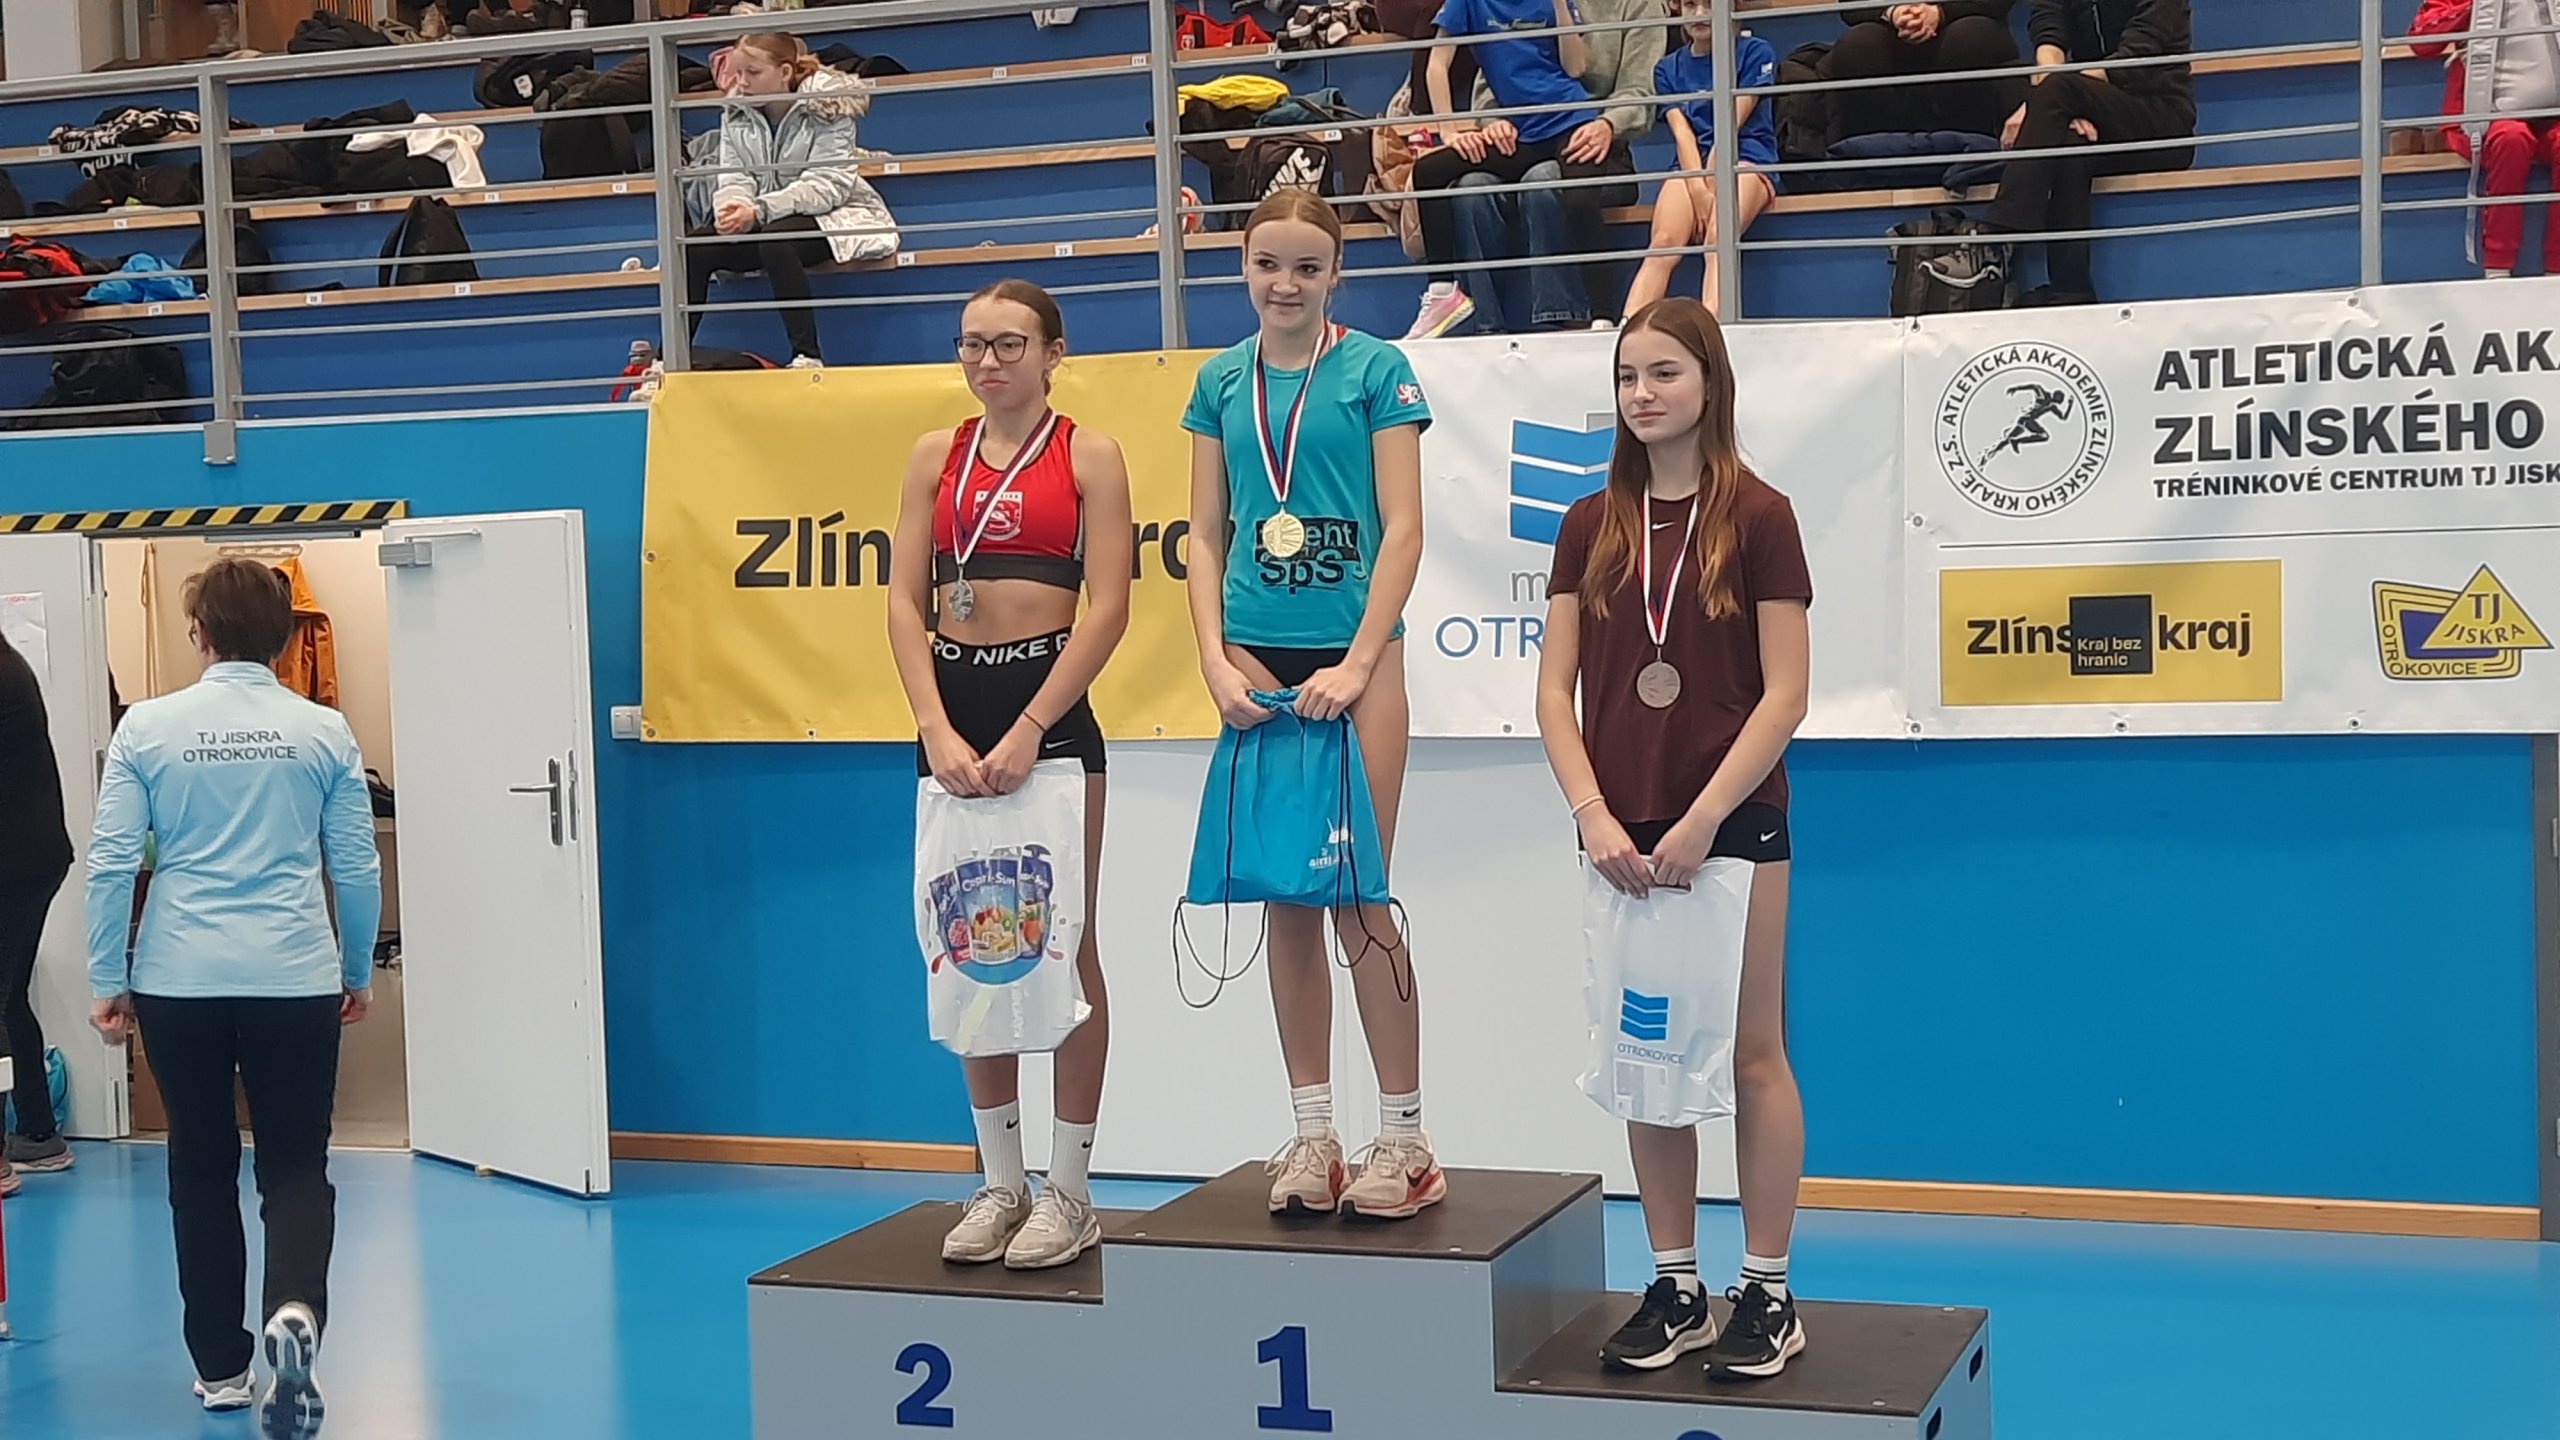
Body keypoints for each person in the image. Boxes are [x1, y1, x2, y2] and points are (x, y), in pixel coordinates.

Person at [1535, 298, 1812, 1380]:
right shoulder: (1587, 522)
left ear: (1709, 383)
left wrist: (1702, 818)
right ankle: (1677, 1284)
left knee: (1748, 1052)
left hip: (1729, 821)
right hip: (1619, 830)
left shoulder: (1761, 516)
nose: (1641, 394)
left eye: (1663, 373)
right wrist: (1592, 813)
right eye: (1626, 377)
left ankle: (1768, 1291)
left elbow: (1785, 694)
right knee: (1646, 1059)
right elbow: (1554, 693)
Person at [1183, 191, 1440, 1219]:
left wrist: (1361, 661)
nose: (1284, 284)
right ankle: (1313, 1134)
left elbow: (1404, 528)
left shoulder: (1376, 371)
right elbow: (1205, 533)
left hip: (1356, 662)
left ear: (1336, 274)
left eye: (1306, 267)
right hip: (1257, 662)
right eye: (1267, 264)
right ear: (1242, 267)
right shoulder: (1218, 380)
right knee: (1284, 899)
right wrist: (1213, 660)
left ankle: (1406, 1140)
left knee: (1357, 898)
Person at [85, 559, 381, 1435]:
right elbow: (355, 866)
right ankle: (295, 1309)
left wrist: (108, 977)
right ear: (286, 639)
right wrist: (354, 968)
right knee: (295, 1165)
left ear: (200, 634)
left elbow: (111, 864)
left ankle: (220, 1367)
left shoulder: (147, 728)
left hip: (179, 979)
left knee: (200, 1165)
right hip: (293, 975)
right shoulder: (323, 730)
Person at [888, 279, 1134, 1269]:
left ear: (1053, 353)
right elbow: (903, 603)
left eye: (1008, 344)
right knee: (972, 944)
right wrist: (933, 726)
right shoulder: (931, 456)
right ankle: (1001, 1183)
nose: (987, 361)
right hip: (953, 719)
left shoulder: (1090, 455)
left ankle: (1070, 1191)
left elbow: (1109, 607)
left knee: (1063, 944)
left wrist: (1034, 724)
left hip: (1050, 717)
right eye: (972, 344)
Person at [1408, 0, 1638, 338]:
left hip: (1570, 121)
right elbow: (1437, 64)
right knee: (1428, 172)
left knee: (1578, 198)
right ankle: (1442, 292)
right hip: (1522, 136)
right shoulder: (1469, 3)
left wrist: (1560, 6)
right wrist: (1449, 131)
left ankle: (1603, 318)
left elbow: (1576, 68)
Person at [690, 32, 897, 367]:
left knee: (777, 240)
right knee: (695, 245)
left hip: (832, 215)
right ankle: (667, 360)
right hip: (759, 215)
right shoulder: (735, 111)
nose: (742, 82)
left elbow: (827, 185)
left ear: (785, 72)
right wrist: (732, 207)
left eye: (753, 72)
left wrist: (759, 210)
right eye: (738, 72)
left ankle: (807, 355)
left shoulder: (828, 106)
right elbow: (733, 175)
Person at [1980, 0, 2194, 305]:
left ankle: (2000, 235)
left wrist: (2049, 99)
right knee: (2067, 138)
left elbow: (2137, 56)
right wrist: (2057, 103)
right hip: (2093, 109)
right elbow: (2049, 22)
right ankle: (2071, 288)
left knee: (2059, 91)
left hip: (2160, 120)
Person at [1624, 0, 1781, 316]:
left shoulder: (1756, 52)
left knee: (1718, 237)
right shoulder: (1666, 68)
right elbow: (1682, 134)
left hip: (1746, 158)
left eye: (1709, 5)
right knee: (1663, 242)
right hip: (1690, 165)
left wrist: (1711, 183)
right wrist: (1698, 189)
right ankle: (1629, 326)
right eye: (1690, 4)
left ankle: (1713, 326)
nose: (1699, 14)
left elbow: (1731, 125)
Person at [0, 636, 74, 1191]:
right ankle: (37, 1132)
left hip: (16, 861)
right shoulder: (10, 665)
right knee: (9, 996)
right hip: (36, 856)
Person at [2414, 0, 2560, 278]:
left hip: (2553, 114)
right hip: (2485, 114)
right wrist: (2477, 6)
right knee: (2510, 139)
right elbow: (2421, 42)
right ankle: (2497, 269)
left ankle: (2558, 271)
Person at [1823, 4, 2026, 143]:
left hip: (1969, 20)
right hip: (1893, 28)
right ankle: (1885, 158)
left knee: (1968, 39)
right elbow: (1850, 6)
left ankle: (1969, 153)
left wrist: (1940, 12)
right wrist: (1894, 12)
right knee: (1855, 47)